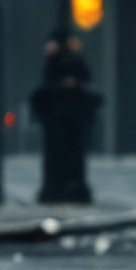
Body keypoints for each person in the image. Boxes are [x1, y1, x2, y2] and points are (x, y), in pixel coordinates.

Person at [30, 29, 99, 203]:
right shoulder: (54, 64)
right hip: (58, 122)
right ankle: (61, 188)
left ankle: (67, 188)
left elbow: (86, 88)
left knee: (70, 157)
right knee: (59, 157)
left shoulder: (70, 63)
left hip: (69, 122)